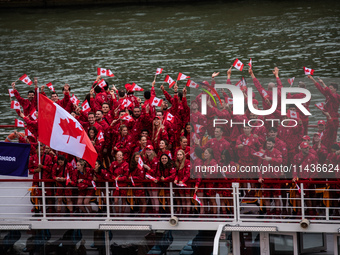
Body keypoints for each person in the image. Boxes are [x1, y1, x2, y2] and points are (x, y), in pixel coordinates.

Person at [109, 151, 129, 216]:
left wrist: (119, 178)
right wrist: (114, 178)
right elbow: (110, 173)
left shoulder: (126, 164)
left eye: (120, 155)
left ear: (123, 156)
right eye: (118, 155)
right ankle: (117, 214)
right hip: (115, 185)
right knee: (115, 201)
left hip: (123, 185)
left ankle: (122, 214)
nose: (119, 156)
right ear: (116, 156)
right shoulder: (113, 163)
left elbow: (126, 176)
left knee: (123, 200)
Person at [174, 149, 191, 216]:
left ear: (183, 155)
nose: (179, 156)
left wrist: (183, 181)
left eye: (180, 154)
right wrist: (176, 179)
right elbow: (176, 173)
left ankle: (187, 213)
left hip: (186, 183)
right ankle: (183, 212)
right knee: (182, 199)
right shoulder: (176, 163)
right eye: (178, 155)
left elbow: (188, 174)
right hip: (179, 184)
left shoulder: (187, 162)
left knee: (187, 199)